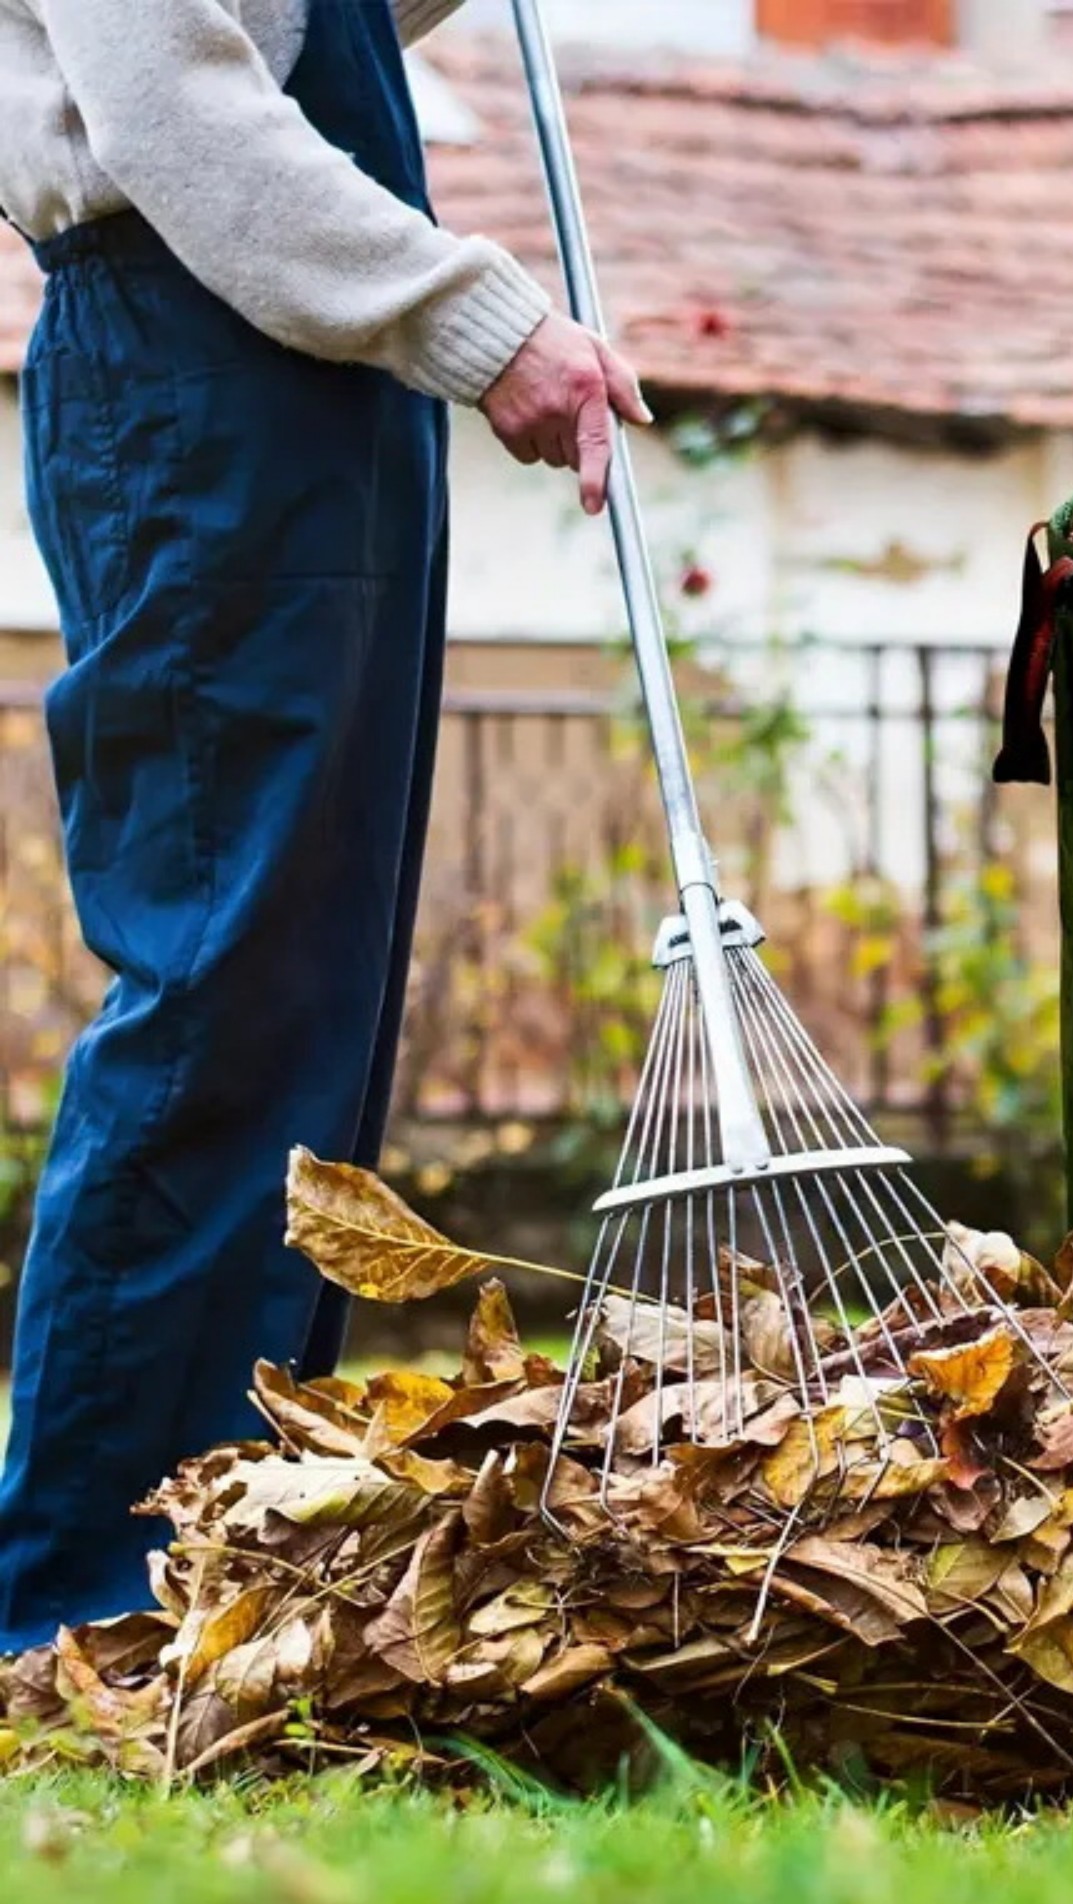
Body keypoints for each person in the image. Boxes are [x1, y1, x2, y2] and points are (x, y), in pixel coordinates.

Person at [0, 0, 650, 1653]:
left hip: (298, 393)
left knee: (307, 1007)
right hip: (193, 372)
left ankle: (229, 1542)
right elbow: (182, 117)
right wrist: (480, 321)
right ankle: (81, 1592)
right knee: (223, 986)